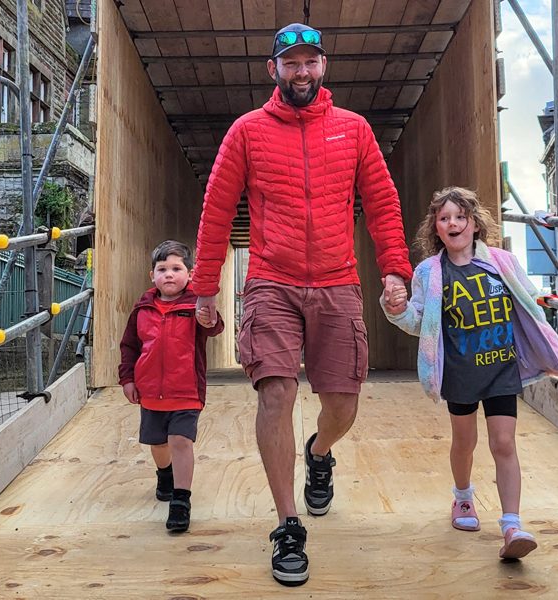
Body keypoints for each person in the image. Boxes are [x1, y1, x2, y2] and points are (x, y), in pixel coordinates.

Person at [193, 23, 412, 586]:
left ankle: (320, 451)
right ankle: (288, 524)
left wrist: (395, 270)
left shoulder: (355, 131)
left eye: (310, 61)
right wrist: (203, 288)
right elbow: (217, 211)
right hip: (271, 280)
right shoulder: (246, 132)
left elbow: (382, 203)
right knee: (276, 392)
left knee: (343, 404)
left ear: (323, 67)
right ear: (274, 70)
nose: (301, 71)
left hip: (338, 282)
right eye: (291, 62)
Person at [381, 187, 558, 560]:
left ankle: (512, 525)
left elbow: (528, 304)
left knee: (503, 443)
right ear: (436, 228)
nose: (453, 223)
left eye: (460, 216)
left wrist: (542, 342)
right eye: (444, 218)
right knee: (464, 443)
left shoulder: (501, 262)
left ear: (474, 223)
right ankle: (463, 498)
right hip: (460, 372)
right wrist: (395, 309)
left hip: (501, 367)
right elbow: (419, 321)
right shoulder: (429, 273)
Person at [118, 240, 224, 534]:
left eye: (177, 268)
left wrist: (209, 316)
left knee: (180, 441)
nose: (169, 274)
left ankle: (181, 501)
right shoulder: (142, 309)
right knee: (158, 443)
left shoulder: (194, 306)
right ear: (152, 275)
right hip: (150, 392)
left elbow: (215, 327)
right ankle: (164, 473)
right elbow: (129, 346)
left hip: (186, 390)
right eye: (162, 269)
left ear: (189, 274)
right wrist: (127, 378)